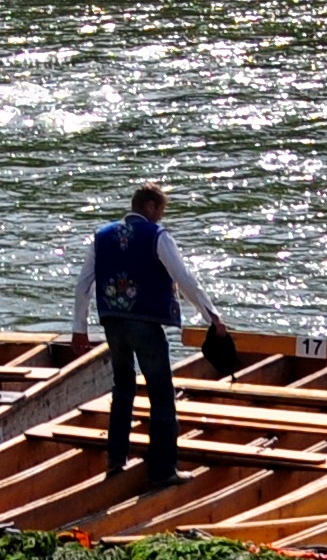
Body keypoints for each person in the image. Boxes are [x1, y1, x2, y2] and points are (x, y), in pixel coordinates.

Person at [68, 181, 221, 488]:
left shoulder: (102, 236)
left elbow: (83, 285)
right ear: (149, 206)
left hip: (112, 322)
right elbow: (185, 279)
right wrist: (212, 316)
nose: (161, 217)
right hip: (145, 324)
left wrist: (79, 330)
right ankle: (163, 469)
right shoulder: (157, 236)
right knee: (161, 392)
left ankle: (116, 459)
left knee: (122, 386)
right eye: (160, 210)